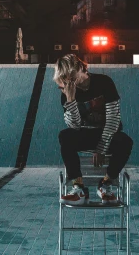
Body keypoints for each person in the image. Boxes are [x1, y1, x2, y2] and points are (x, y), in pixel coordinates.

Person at [55, 54, 133, 205]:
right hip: (85, 133)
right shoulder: (67, 92)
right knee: (65, 136)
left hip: (108, 133)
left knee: (125, 141)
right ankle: (79, 188)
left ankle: (105, 184)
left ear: (80, 68)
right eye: (65, 78)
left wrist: (101, 148)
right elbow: (75, 126)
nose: (70, 82)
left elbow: (113, 119)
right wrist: (70, 100)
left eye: (71, 76)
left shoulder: (104, 82)